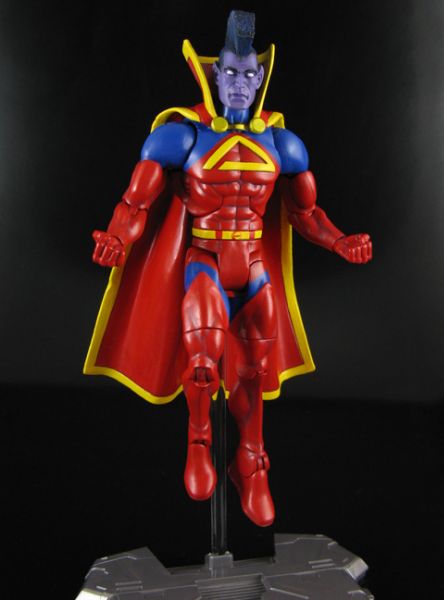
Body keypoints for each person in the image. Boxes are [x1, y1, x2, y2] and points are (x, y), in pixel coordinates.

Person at [85, 10, 372, 527]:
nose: (239, 82)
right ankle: (199, 439)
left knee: (254, 373)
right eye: (231, 73)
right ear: (215, 75)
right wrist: (116, 237)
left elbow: (306, 213)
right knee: (201, 360)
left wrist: (339, 241)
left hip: (253, 265)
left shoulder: (282, 145)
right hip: (206, 260)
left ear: (260, 79)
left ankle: (251, 462)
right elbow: (135, 203)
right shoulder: (182, 138)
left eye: (248, 74)